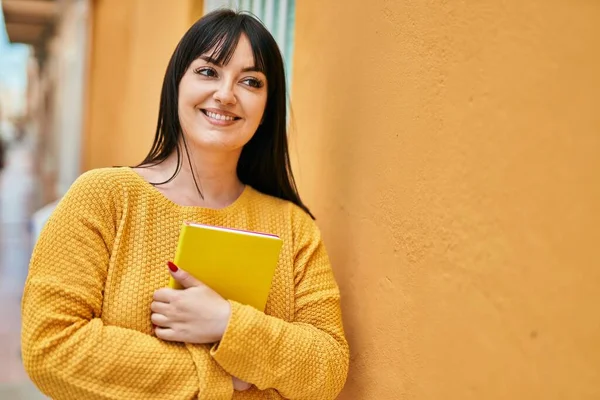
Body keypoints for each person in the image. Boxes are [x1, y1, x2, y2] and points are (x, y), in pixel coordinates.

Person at [21, 9, 349, 400]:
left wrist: (227, 323)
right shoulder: (103, 198)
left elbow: (328, 368)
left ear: (266, 110)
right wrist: (228, 379)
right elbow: (50, 347)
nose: (226, 94)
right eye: (208, 71)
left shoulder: (294, 227)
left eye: (250, 81)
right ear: (176, 84)